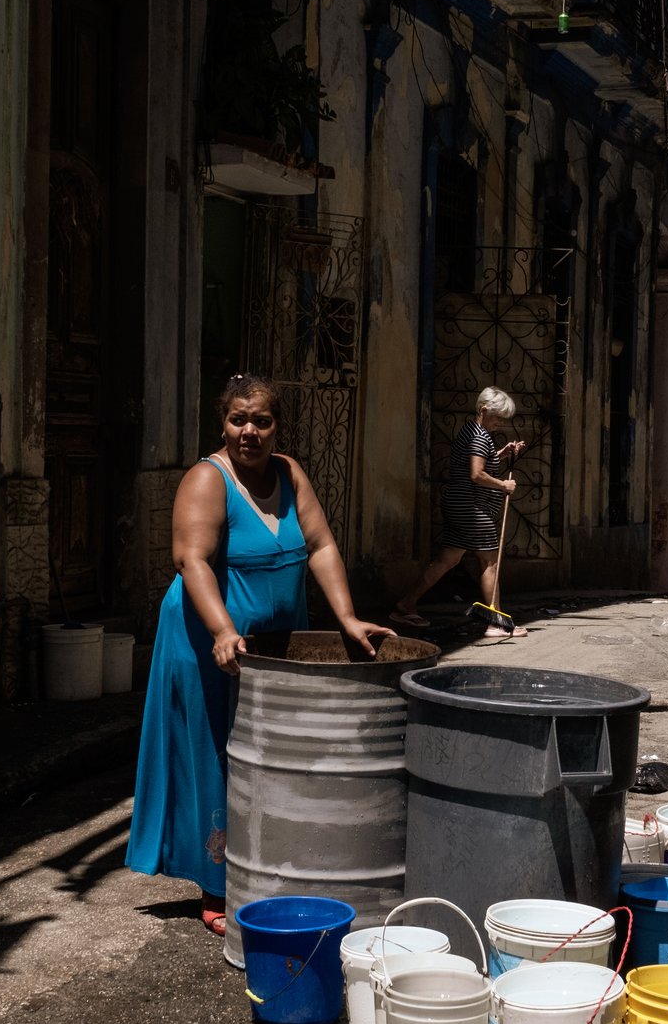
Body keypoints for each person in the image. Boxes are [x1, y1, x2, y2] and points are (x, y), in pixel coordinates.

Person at [127, 374, 395, 937]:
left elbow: (320, 545)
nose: (248, 431)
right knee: (217, 757)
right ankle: (218, 884)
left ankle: (273, 866)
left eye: (262, 421)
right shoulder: (207, 479)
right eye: (237, 420)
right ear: (222, 423)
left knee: (272, 755)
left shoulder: (289, 472)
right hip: (208, 641)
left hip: (274, 645)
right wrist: (223, 630)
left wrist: (345, 617)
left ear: (278, 426)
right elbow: (192, 560)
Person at [388, 386, 523, 638]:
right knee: (489, 562)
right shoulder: (480, 437)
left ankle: (406, 605)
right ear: (483, 410)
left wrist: (502, 454)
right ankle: (497, 623)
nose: (500, 423)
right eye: (497, 417)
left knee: (447, 560)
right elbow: (476, 474)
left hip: (458, 506)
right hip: (472, 509)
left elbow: (474, 464)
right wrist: (503, 485)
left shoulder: (471, 430)